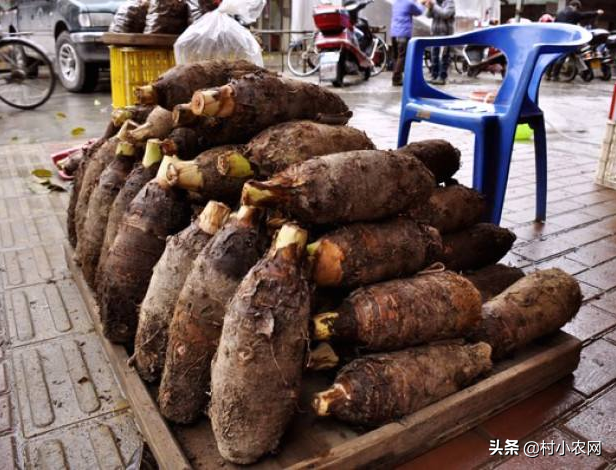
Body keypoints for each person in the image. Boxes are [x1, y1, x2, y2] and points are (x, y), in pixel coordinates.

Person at [548, 0, 604, 80]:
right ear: (575, 6)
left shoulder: (560, 12)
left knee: (555, 57)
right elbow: (584, 15)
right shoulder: (573, 12)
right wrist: (596, 12)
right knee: (562, 56)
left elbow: (555, 23)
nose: (577, 10)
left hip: (558, 38)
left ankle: (548, 75)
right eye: (577, 8)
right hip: (568, 39)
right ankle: (555, 76)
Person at [390, 0, 426, 86]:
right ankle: (396, 78)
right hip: (403, 33)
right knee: (402, 56)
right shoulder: (409, 3)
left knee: (396, 56)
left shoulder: (396, 3)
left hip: (394, 33)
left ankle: (397, 77)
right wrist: (422, 3)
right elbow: (419, 12)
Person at [425, 0, 456, 85]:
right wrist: (430, 8)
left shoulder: (450, 3)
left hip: (445, 34)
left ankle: (442, 77)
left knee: (443, 56)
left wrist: (434, 6)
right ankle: (434, 76)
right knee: (434, 55)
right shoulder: (436, 3)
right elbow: (427, 16)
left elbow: (445, 14)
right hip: (435, 33)